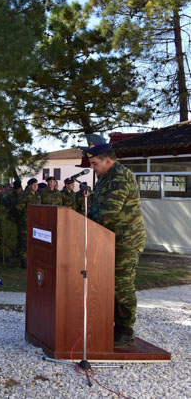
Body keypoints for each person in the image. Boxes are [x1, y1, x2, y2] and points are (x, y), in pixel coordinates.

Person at [87, 143, 147, 347]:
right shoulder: (105, 177)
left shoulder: (120, 175)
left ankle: (125, 330)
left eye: (95, 164)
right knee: (107, 283)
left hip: (126, 240)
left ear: (108, 160)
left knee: (122, 285)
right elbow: (97, 207)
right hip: (108, 238)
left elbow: (109, 211)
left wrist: (85, 224)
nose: (93, 168)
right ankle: (111, 323)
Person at [16, 178, 41, 268]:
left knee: (34, 241)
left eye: (37, 185)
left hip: (36, 222)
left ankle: (32, 259)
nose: (35, 186)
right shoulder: (24, 195)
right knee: (24, 241)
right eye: (34, 185)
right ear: (29, 186)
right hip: (26, 221)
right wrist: (22, 218)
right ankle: (23, 261)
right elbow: (19, 208)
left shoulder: (38, 195)